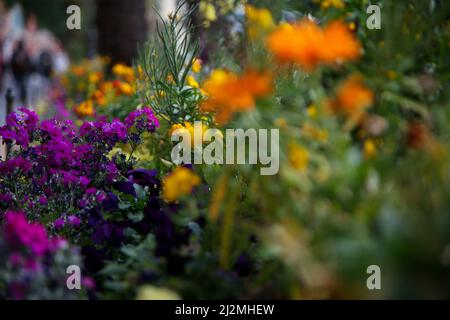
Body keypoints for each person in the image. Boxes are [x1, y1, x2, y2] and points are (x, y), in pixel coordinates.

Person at [11, 39, 30, 104]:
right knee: (20, 86)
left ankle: (22, 98)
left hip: (21, 73)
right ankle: (20, 98)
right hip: (18, 73)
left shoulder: (22, 53)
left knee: (21, 86)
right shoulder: (18, 52)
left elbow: (28, 62)